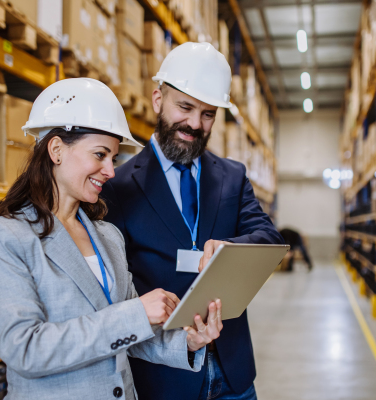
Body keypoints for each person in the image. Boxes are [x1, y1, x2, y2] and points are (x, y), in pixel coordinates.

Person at [0, 78, 224, 400]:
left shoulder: (107, 237)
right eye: (100, 154)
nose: (111, 171)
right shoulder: (4, 238)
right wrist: (135, 313)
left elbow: (131, 334)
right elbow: (25, 349)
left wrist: (188, 341)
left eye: (114, 158)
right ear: (57, 150)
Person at [101, 43, 284, 400]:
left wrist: (232, 249)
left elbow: (268, 237)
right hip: (162, 379)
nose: (195, 124)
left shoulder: (231, 176)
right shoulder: (118, 187)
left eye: (208, 114)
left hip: (233, 373)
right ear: (157, 100)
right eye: (184, 107)